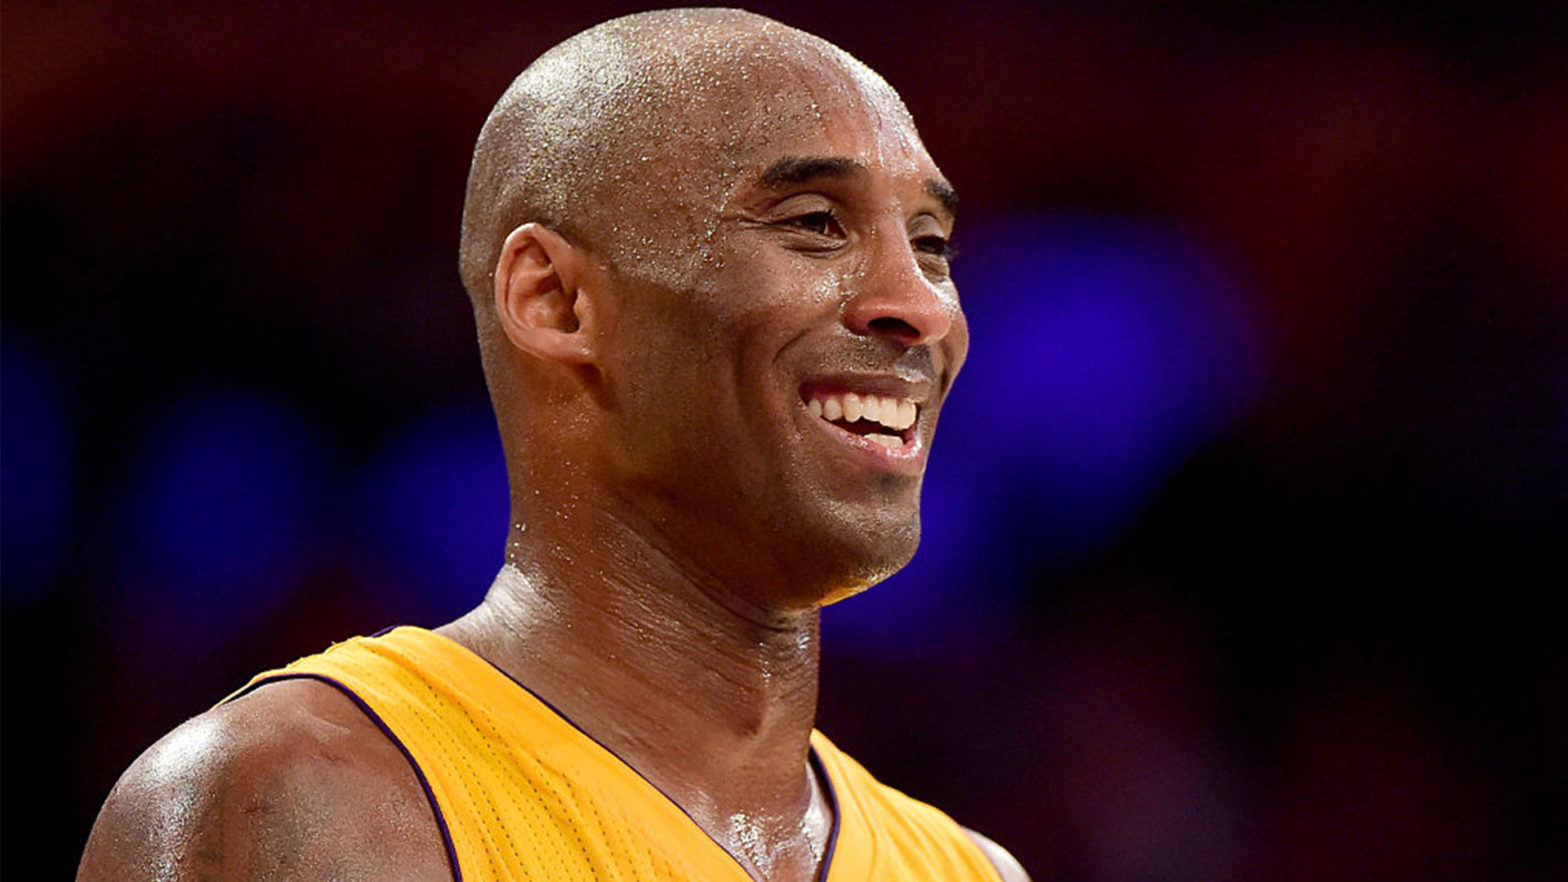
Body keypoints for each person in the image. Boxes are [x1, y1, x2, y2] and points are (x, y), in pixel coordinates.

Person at [78, 8, 1028, 881]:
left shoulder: (970, 871)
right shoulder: (305, 804)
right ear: (555, 300)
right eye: (816, 224)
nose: (922, 306)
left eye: (931, 243)